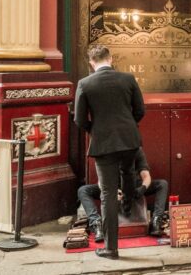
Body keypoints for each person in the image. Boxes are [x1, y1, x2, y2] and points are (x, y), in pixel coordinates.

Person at [73, 46, 146, 260]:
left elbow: (79, 119)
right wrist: (128, 127)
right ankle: (129, 203)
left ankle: (111, 248)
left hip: (104, 144)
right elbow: (140, 110)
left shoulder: (85, 84)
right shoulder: (128, 78)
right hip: (129, 140)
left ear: (91, 63)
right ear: (111, 59)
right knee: (128, 173)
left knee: (107, 195)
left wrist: (94, 130)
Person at [78, 147, 168, 239]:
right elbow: (101, 180)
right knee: (83, 190)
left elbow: (146, 176)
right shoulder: (107, 150)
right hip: (111, 187)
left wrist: (142, 189)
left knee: (162, 184)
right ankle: (97, 224)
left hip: (133, 185)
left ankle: (156, 221)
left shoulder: (136, 149)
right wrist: (111, 192)